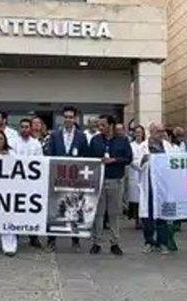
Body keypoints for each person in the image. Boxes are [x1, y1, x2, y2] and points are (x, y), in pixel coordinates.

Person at [45, 106, 89, 252]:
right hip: (58, 177)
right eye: (66, 117)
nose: (68, 119)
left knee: (74, 208)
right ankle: (51, 240)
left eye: (71, 117)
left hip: (75, 179)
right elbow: (50, 154)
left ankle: (75, 240)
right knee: (55, 208)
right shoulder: (55, 135)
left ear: (75, 118)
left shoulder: (81, 136)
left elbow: (86, 157)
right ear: (63, 118)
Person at [88, 115, 132, 255]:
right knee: (98, 213)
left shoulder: (122, 140)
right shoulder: (95, 140)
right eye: (99, 125)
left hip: (115, 180)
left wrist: (114, 160)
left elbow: (128, 158)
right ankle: (97, 242)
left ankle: (115, 242)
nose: (100, 128)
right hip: (99, 180)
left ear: (111, 126)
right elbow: (88, 157)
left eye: (103, 125)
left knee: (114, 213)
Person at [136, 122, 174, 253]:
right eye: (159, 131)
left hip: (163, 185)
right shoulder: (143, 147)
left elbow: (174, 161)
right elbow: (135, 163)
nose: (162, 133)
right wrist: (145, 160)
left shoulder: (168, 146)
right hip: (149, 184)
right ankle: (149, 242)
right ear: (151, 132)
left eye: (163, 131)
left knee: (162, 213)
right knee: (148, 215)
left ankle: (162, 242)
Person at [14, 118, 44, 248]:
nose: (24, 129)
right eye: (22, 127)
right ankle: (14, 235)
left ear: (30, 128)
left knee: (31, 209)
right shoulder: (13, 142)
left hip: (31, 182)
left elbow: (41, 161)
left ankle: (33, 237)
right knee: (16, 209)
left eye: (27, 127)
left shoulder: (36, 143)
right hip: (16, 181)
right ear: (19, 128)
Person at [127, 125, 145, 229]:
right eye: (136, 132)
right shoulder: (131, 145)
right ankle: (137, 220)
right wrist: (137, 166)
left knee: (143, 197)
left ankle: (143, 219)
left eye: (140, 132)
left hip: (143, 173)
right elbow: (130, 158)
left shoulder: (146, 144)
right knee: (135, 199)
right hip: (134, 172)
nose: (138, 134)